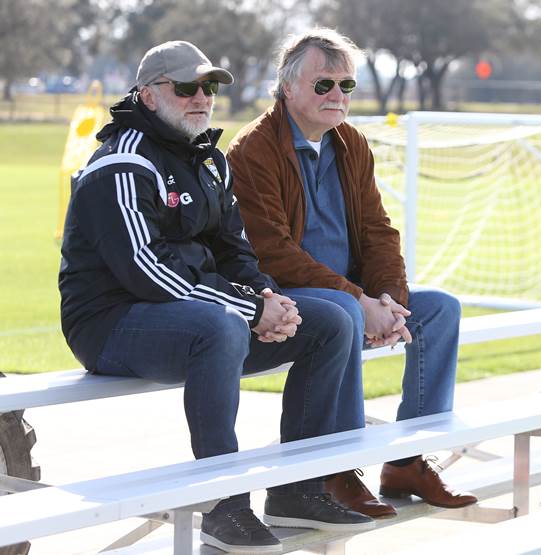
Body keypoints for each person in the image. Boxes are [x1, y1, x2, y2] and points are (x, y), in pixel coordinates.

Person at [58, 40, 376, 554]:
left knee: (330, 321)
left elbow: (236, 252)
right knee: (221, 326)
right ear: (148, 96)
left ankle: (298, 489)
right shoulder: (120, 164)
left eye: (207, 87)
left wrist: (271, 299)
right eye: (185, 88)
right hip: (110, 325)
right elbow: (149, 271)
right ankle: (225, 504)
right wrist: (249, 309)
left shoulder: (208, 161)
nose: (200, 97)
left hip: (194, 319)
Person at [226, 28, 477, 518]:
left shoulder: (351, 144)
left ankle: (407, 462)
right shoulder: (254, 149)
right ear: (288, 87)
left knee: (441, 309)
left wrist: (390, 301)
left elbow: (379, 231)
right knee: (342, 310)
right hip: (290, 300)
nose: (337, 95)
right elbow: (272, 252)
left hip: (354, 297)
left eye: (347, 86)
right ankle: (337, 469)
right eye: (324, 85)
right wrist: (360, 303)